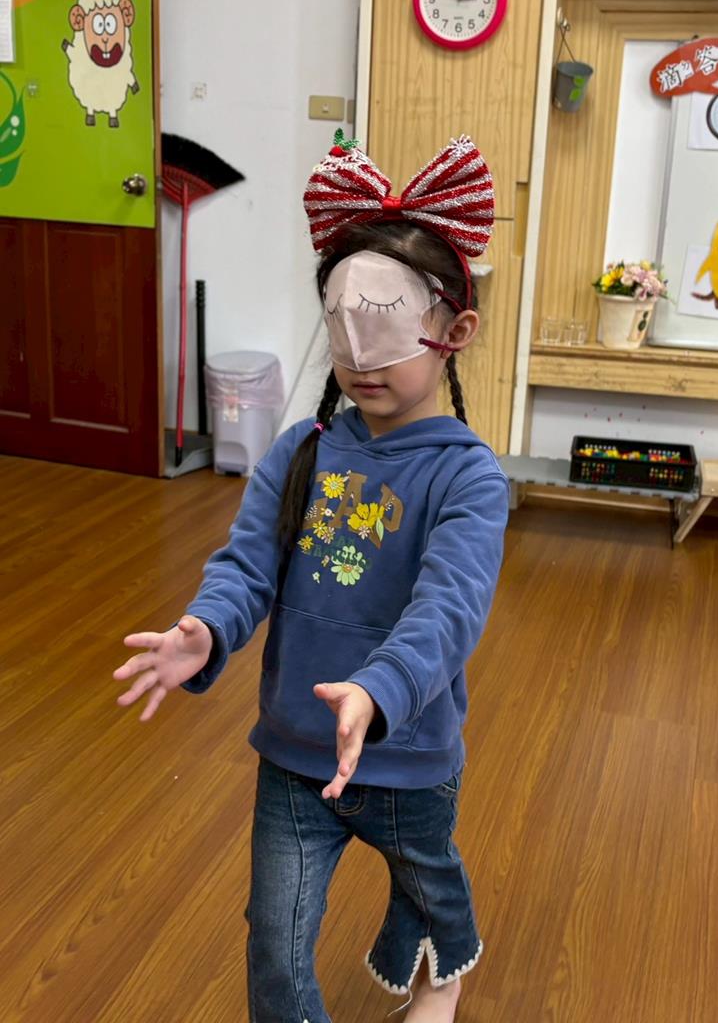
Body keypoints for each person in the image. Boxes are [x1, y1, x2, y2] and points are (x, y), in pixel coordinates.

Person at [114, 132, 509, 1023]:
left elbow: (447, 611)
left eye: (386, 335)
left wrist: (377, 689)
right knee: (275, 939)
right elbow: (246, 564)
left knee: (429, 890)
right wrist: (206, 628)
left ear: (454, 332)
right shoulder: (302, 451)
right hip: (294, 753)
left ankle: (441, 976)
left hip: (408, 755)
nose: (360, 361)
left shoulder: (469, 477)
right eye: (342, 332)